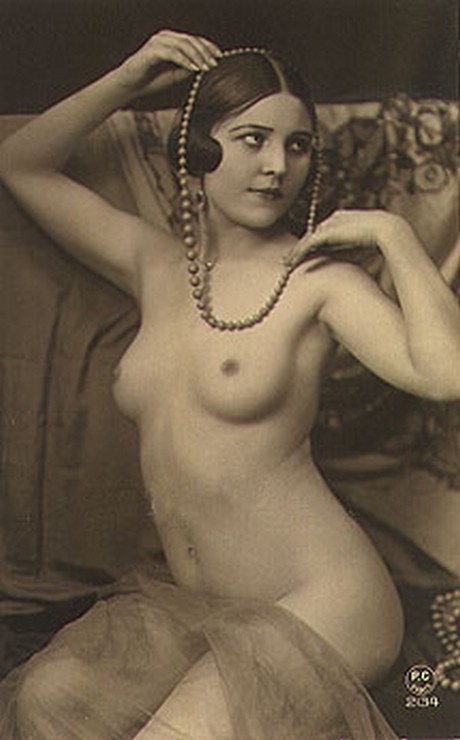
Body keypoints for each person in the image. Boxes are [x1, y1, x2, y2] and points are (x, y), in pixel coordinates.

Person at [0, 28, 459, 740]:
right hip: (202, 608)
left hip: (325, 598)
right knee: (48, 700)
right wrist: (129, 77)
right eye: (252, 139)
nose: (277, 166)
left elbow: (444, 372)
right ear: (198, 150)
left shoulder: (318, 280)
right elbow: (19, 163)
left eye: (298, 145)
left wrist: (392, 234)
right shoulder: (153, 265)